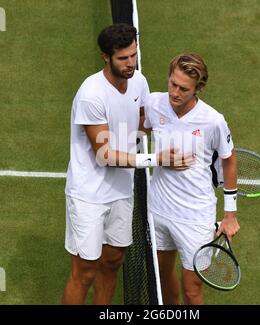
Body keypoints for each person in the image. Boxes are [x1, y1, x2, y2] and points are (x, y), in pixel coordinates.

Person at [62, 23, 189, 305]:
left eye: (133, 55)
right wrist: (156, 159)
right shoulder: (91, 95)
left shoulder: (139, 82)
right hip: (89, 196)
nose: (130, 63)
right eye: (123, 58)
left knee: (112, 263)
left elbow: (143, 125)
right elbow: (104, 154)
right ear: (105, 57)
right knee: (84, 272)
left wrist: (179, 131)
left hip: (121, 191)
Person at [143, 53, 240, 305]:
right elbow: (139, 126)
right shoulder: (154, 103)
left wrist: (230, 215)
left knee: (192, 289)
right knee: (161, 278)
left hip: (195, 217)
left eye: (183, 89)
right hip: (158, 210)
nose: (175, 92)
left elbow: (229, 161)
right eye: (172, 84)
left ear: (198, 88)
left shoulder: (213, 121)